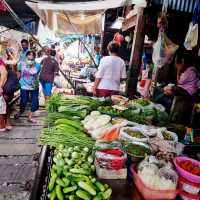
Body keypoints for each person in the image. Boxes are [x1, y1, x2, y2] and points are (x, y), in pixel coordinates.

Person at [163, 50, 199, 125]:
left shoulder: (190, 71)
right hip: (188, 92)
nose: (176, 66)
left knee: (172, 88)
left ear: (182, 62)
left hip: (189, 94)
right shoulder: (190, 70)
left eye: (178, 64)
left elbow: (179, 81)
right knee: (171, 88)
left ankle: (174, 120)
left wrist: (178, 70)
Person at [15, 51, 41, 123]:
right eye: (29, 58)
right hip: (24, 85)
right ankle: (20, 112)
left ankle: (30, 117)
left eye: (32, 59)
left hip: (34, 86)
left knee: (34, 101)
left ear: (34, 58)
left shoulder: (38, 65)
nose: (30, 60)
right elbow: (18, 72)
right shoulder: (21, 64)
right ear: (26, 57)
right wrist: (18, 80)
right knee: (23, 101)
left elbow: (34, 73)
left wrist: (31, 65)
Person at [0, 59, 15, 132]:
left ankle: (5, 124)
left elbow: (4, 73)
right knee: (4, 107)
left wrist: (0, 87)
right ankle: (5, 124)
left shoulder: (9, 72)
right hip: (5, 91)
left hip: (5, 91)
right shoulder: (10, 72)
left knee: (4, 107)